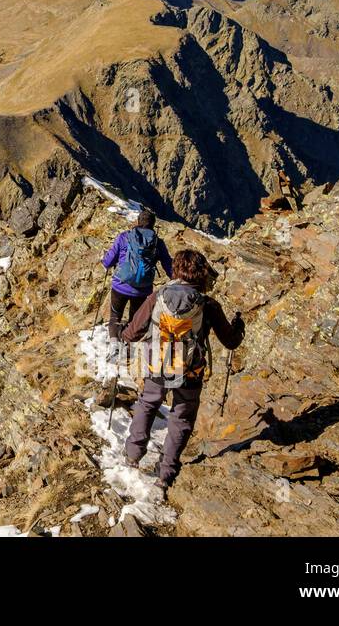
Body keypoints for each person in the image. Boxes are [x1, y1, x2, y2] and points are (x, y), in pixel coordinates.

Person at [120, 248, 244, 496]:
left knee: (147, 405)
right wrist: (238, 326)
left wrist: (124, 331)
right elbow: (230, 342)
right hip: (190, 371)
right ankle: (165, 474)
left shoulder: (158, 297)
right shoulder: (207, 304)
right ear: (201, 273)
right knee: (181, 418)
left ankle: (132, 456)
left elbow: (132, 333)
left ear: (176, 270)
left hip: (157, 365)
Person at [100, 208, 172, 340]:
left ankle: (114, 346)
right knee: (135, 320)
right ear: (153, 224)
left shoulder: (124, 237)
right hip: (142, 290)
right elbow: (168, 266)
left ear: (137, 221)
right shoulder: (157, 243)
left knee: (115, 316)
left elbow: (109, 261)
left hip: (120, 286)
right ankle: (128, 345)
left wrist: (104, 261)